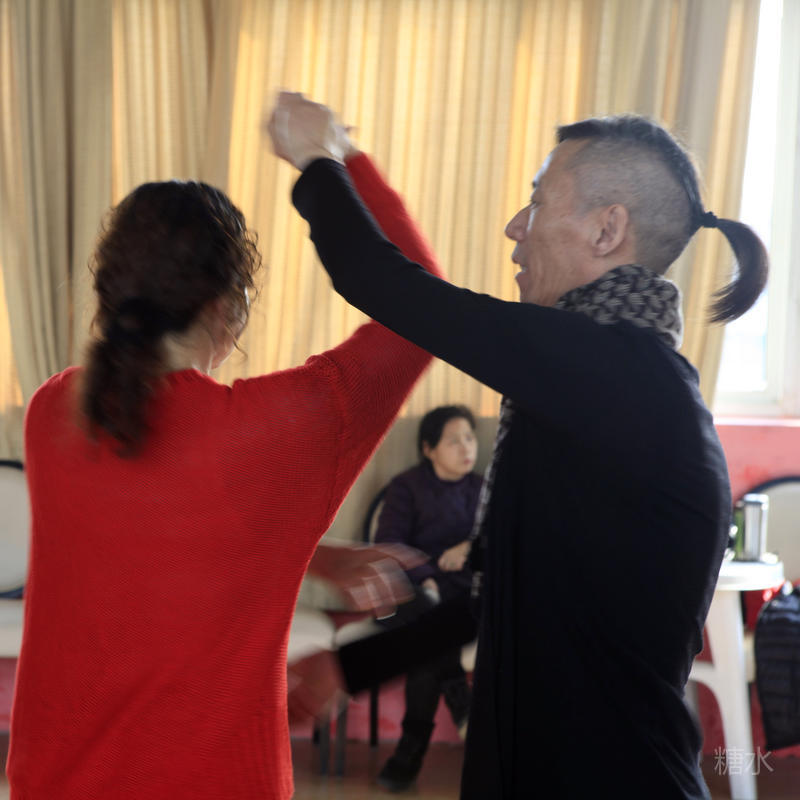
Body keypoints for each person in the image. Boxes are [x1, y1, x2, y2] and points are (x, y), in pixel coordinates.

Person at [268, 93, 768, 799]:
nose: (514, 227)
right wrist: (348, 669)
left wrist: (318, 159)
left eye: (536, 202)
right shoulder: (585, 384)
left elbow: (384, 282)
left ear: (607, 229)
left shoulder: (612, 373)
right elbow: (496, 600)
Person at [6, 144, 445, 798]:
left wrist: (311, 553)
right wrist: (333, 157)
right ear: (230, 308)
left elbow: (147, 529)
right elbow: (423, 309)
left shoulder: (55, 410)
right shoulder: (279, 428)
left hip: (54, 780)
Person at [372, 404, 482, 792]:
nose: (466, 447)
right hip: (412, 598)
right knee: (425, 619)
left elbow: (505, 546)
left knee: (427, 643)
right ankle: (460, 699)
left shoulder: (483, 490)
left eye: (469, 437)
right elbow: (388, 545)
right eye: (453, 441)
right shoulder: (407, 487)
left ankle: (409, 753)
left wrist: (470, 547)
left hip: (462, 600)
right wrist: (427, 580)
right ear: (428, 449)